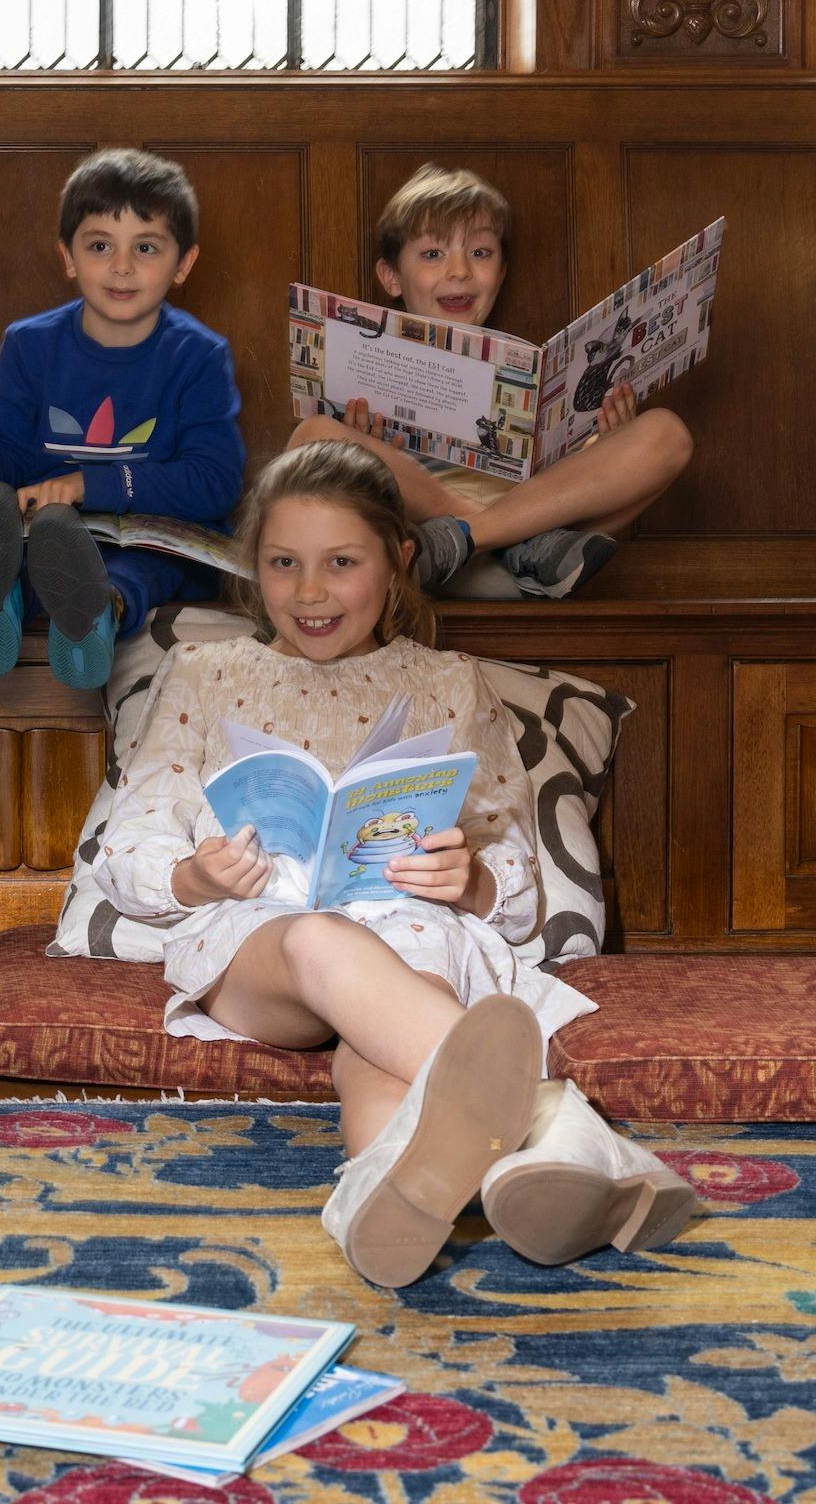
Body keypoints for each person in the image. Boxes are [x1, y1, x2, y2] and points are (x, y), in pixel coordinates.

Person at [75, 439, 701, 1287]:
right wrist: (200, 875)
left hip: (410, 929)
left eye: (341, 562)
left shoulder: (449, 681)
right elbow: (133, 841)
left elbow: (509, 857)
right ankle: (568, 1133)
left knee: (381, 1046)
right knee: (320, 942)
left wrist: (470, 879)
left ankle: (381, 1191)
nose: (309, 591)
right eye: (283, 562)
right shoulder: (204, 672)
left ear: (398, 562)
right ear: (252, 566)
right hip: (263, 936)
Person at [0, 149, 244, 690]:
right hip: (43, 530)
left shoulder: (198, 354)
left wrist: (91, 483)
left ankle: (95, 613)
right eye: (99, 245)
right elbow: (8, 439)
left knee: (133, 572)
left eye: (147, 247)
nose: (121, 266)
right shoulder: (31, 342)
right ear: (68, 256)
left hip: (146, 541)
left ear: (183, 263)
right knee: (19, 535)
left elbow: (215, 482)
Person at [292, 164, 694, 599]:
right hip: (421, 550)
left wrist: (606, 439)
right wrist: (370, 451)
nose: (460, 270)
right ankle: (509, 543)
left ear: (501, 273)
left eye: (480, 253)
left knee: (667, 434)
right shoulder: (370, 358)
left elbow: (570, 480)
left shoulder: (530, 363)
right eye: (433, 254)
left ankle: (483, 538)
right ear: (391, 277)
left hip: (540, 554)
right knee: (311, 436)